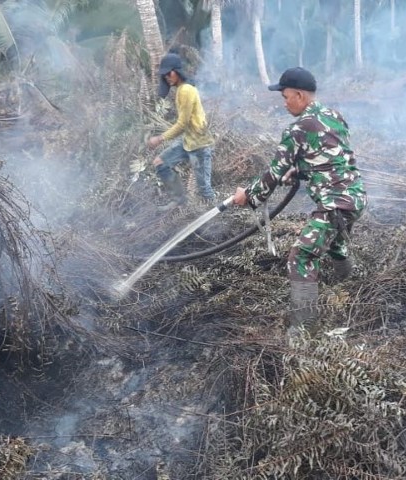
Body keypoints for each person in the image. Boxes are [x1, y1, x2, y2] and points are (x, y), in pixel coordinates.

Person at [231, 67, 367, 338]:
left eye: (286, 96)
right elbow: (334, 159)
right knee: (336, 243)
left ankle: (304, 327)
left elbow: (273, 174)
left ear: (300, 95)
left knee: (301, 256)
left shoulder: (297, 129)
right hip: (356, 198)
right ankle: (350, 286)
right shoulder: (333, 116)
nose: (284, 103)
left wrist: (249, 196)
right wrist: (302, 170)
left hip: (334, 205)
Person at [146, 53, 216, 210]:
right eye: (164, 75)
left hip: (199, 144)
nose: (167, 77)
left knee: (204, 190)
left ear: (177, 71)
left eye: (169, 73)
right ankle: (179, 200)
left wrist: (160, 138)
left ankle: (219, 217)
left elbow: (182, 123)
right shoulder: (181, 89)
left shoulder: (185, 90)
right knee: (160, 163)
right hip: (188, 141)